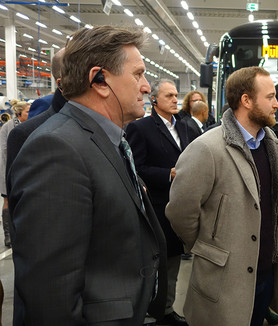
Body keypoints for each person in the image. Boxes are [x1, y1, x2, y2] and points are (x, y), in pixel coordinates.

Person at [8, 25, 167, 325]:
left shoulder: (108, 139)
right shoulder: (57, 149)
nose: (147, 87)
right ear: (100, 80)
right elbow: (51, 293)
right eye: (138, 74)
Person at [166, 66, 278, 326]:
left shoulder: (269, 142)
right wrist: (209, 247)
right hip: (224, 281)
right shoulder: (207, 148)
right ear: (246, 101)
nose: (276, 105)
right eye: (270, 97)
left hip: (264, 275)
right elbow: (181, 212)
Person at [126, 79, 193, 326]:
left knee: (174, 264)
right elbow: (136, 168)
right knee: (156, 265)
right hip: (157, 207)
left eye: (176, 95)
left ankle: (165, 309)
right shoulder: (141, 128)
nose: (176, 99)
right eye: (169, 96)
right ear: (154, 99)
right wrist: (168, 174)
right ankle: (151, 311)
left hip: (182, 205)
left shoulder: (186, 127)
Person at [0, 101, 30, 248]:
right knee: (7, 201)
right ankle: (7, 235)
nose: (29, 114)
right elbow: (5, 151)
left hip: (23, 168)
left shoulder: (29, 126)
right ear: (19, 113)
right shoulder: (7, 127)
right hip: (7, 168)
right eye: (26, 112)